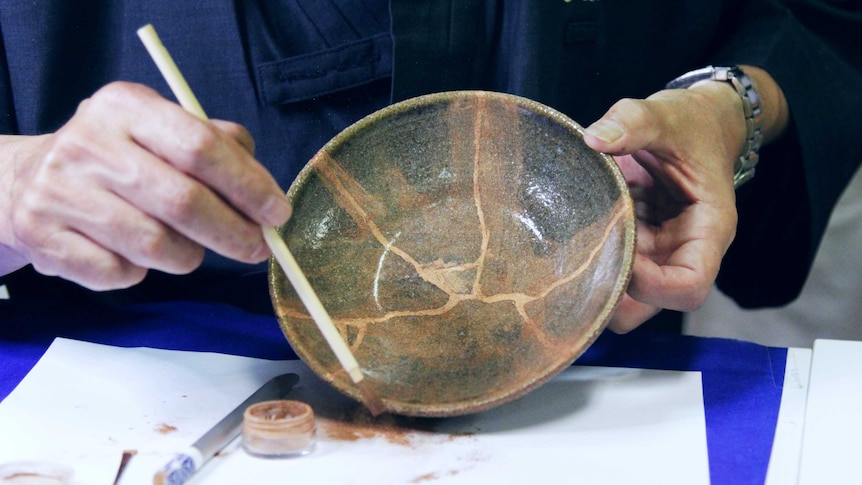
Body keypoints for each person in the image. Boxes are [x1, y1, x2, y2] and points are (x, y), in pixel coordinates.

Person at [0, 1, 860, 334]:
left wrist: (733, 102)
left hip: (592, 379)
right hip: (128, 383)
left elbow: (823, 20)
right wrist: (12, 187)